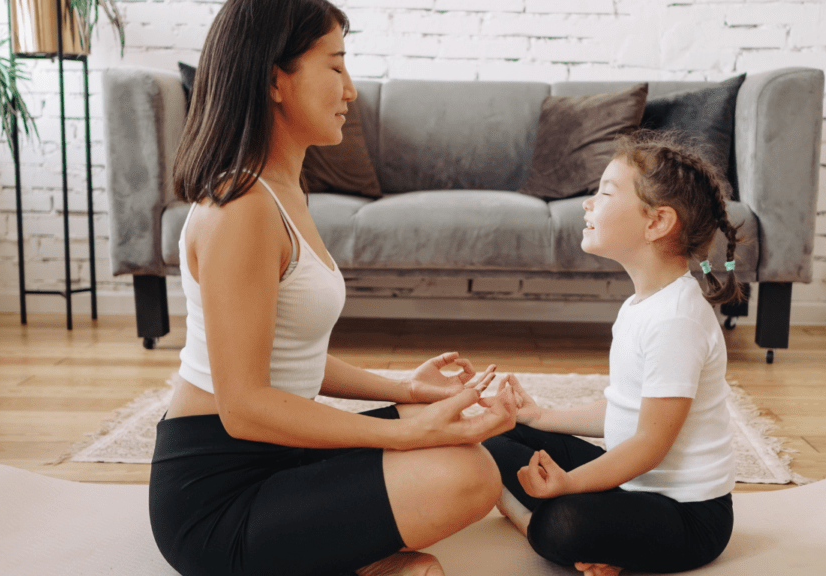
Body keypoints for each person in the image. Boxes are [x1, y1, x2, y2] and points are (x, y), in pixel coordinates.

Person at [147, 1, 517, 575]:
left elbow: (290, 358)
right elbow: (244, 408)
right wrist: (406, 432)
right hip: (219, 499)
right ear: (275, 79)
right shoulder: (243, 209)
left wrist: (409, 393)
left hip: (282, 457)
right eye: (336, 66)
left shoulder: (283, 191)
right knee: (466, 475)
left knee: (466, 444)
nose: (350, 90)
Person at [483, 130, 744, 576]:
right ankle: (586, 531)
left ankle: (531, 521)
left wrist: (569, 485)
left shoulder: (676, 319)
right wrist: (537, 416)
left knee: (563, 524)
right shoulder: (641, 305)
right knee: (494, 435)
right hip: (632, 489)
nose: (588, 204)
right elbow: (625, 408)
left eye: (604, 193)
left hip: (687, 516)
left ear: (657, 222)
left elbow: (648, 445)